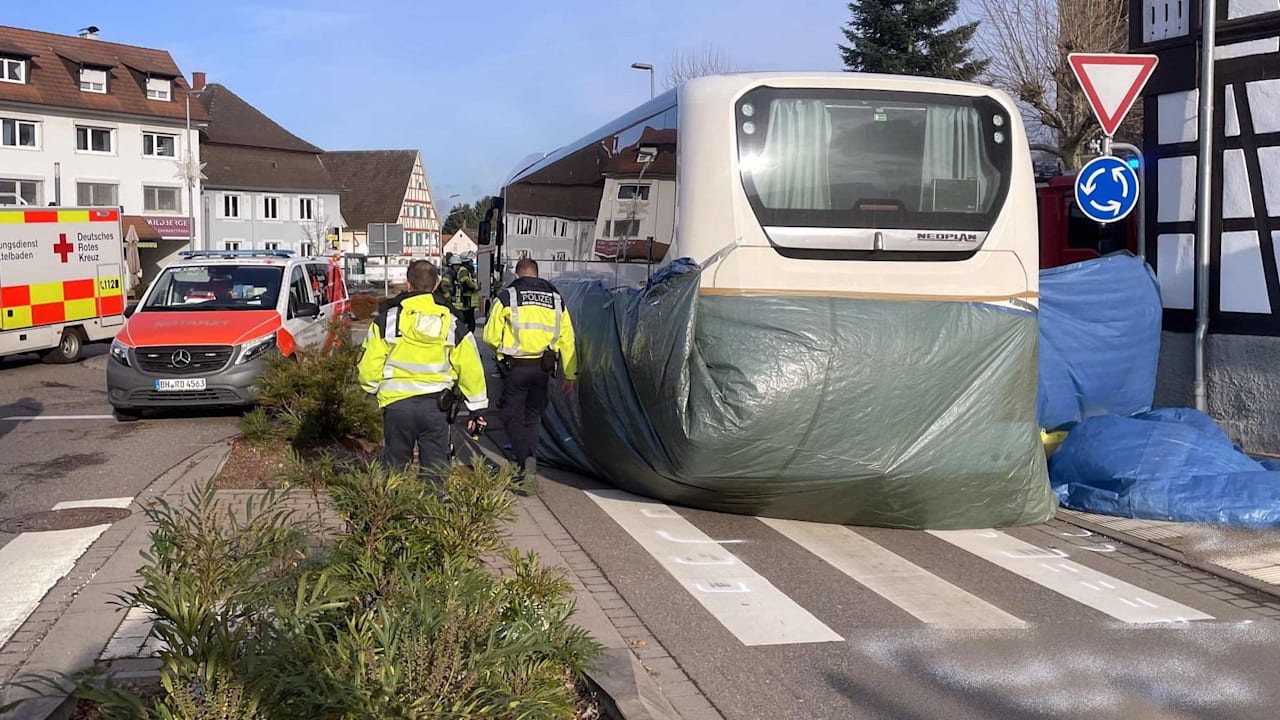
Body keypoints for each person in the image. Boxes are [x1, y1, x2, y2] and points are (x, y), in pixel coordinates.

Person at [358, 260, 488, 483]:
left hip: (397, 406)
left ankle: (394, 513)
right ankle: (431, 514)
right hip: (437, 408)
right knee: (436, 470)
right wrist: (477, 407)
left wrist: (371, 388)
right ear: (436, 284)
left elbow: (369, 365)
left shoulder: (388, 319)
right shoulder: (452, 321)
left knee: (394, 470)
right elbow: (470, 366)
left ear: (408, 285)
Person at [482, 258, 577, 481]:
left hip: (515, 368)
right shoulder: (556, 299)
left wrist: (501, 354)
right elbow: (568, 340)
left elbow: (489, 336)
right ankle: (531, 457)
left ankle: (523, 460)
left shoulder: (508, 296)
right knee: (533, 416)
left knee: (510, 415)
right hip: (543, 368)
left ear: (517, 276)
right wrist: (571, 374)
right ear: (537, 274)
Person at [441, 254, 481, 333]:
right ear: (451, 265)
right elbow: (444, 286)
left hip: (459, 304)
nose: (457, 267)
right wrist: (448, 299)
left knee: (463, 323)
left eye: (459, 265)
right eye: (456, 265)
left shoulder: (455, 274)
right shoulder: (449, 275)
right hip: (454, 304)